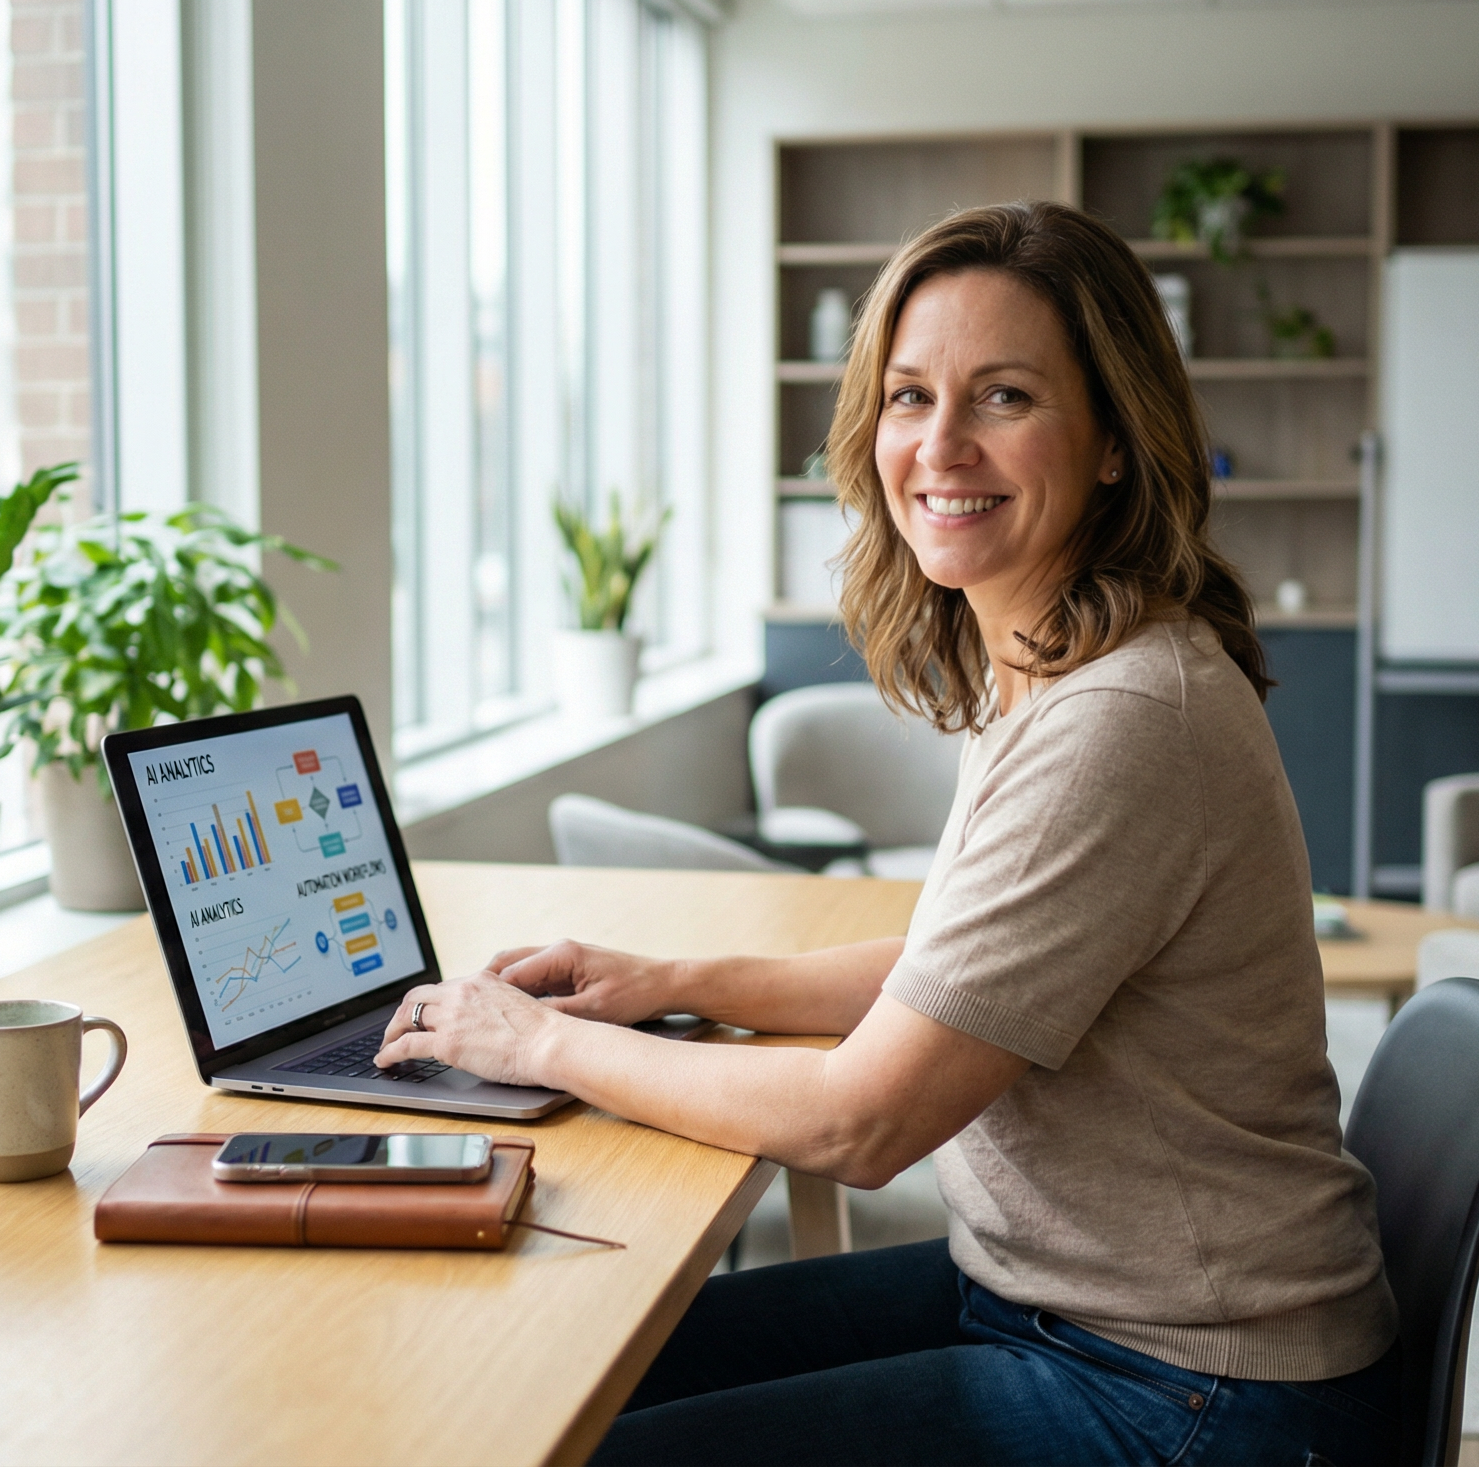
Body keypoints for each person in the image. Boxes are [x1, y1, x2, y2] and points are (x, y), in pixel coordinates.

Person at [375, 201, 1399, 1465]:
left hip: (1194, 1384)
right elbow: (952, 963)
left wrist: (539, 1043)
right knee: (565, 1363)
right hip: (1061, 1303)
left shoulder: (1124, 717)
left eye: (1005, 397)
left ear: (1118, 440)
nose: (940, 445)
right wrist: (669, 985)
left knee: (590, 1441)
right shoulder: (1051, 660)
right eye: (910, 396)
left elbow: (861, 1127)